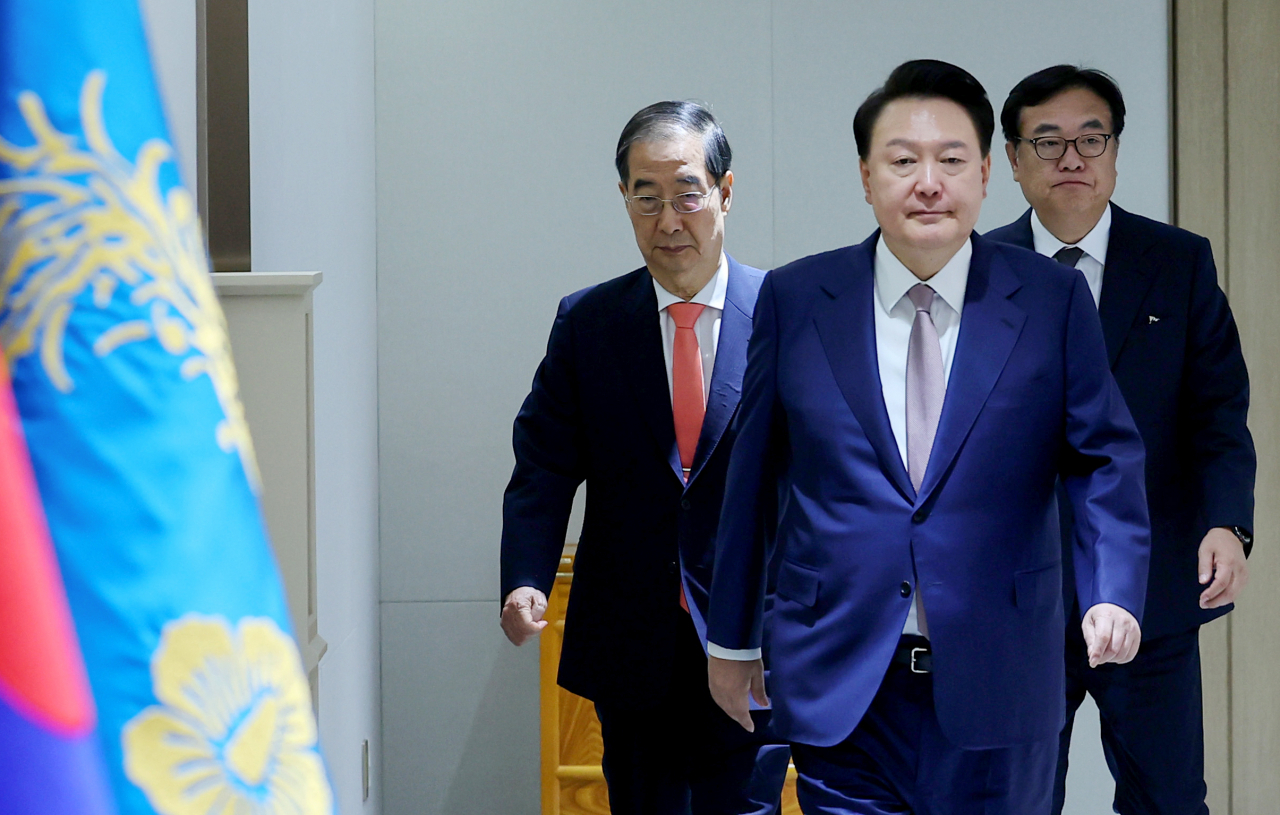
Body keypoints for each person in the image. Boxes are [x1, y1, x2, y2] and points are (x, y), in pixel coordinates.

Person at [704, 59, 1152, 815]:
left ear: (984, 172)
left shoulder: (1050, 299)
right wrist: (732, 641)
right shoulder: (797, 298)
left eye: (950, 160)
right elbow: (752, 481)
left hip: (1003, 679)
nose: (928, 182)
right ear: (866, 175)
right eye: (903, 161)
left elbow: (1103, 454)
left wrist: (1112, 589)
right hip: (842, 681)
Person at [499, 101, 789, 815]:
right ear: (624, 199)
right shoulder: (589, 322)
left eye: (687, 194)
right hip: (632, 640)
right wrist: (526, 575)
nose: (668, 220)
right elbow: (543, 463)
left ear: (725, 192)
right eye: (646, 197)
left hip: (755, 635)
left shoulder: (789, 312)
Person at [987, 65, 1255, 815]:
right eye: (1048, 141)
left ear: (1114, 151)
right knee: (1014, 798)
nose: (1072, 158)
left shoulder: (1177, 262)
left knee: (1168, 798)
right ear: (1013, 160)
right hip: (1019, 591)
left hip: (1154, 581)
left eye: (1090, 138)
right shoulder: (977, 272)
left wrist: (1227, 523)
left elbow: (1218, 414)